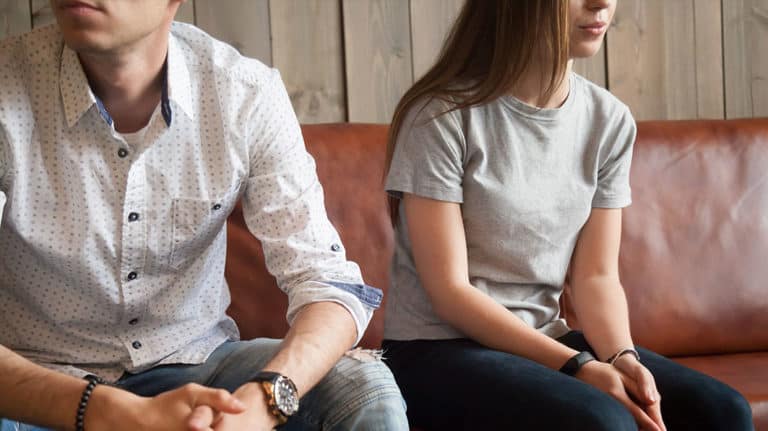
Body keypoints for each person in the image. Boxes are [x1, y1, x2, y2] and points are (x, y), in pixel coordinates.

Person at [0, 0, 408, 430]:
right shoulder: (7, 86)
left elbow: (329, 282)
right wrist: (107, 412)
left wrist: (268, 398)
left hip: (197, 364)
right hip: (39, 379)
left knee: (364, 389)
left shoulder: (242, 94)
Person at [381, 0, 754, 430]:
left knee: (722, 410)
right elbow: (450, 291)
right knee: (603, 421)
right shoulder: (440, 115)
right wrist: (578, 366)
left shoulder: (608, 121)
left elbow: (596, 277)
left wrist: (621, 357)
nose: (602, 4)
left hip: (546, 340)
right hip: (435, 349)